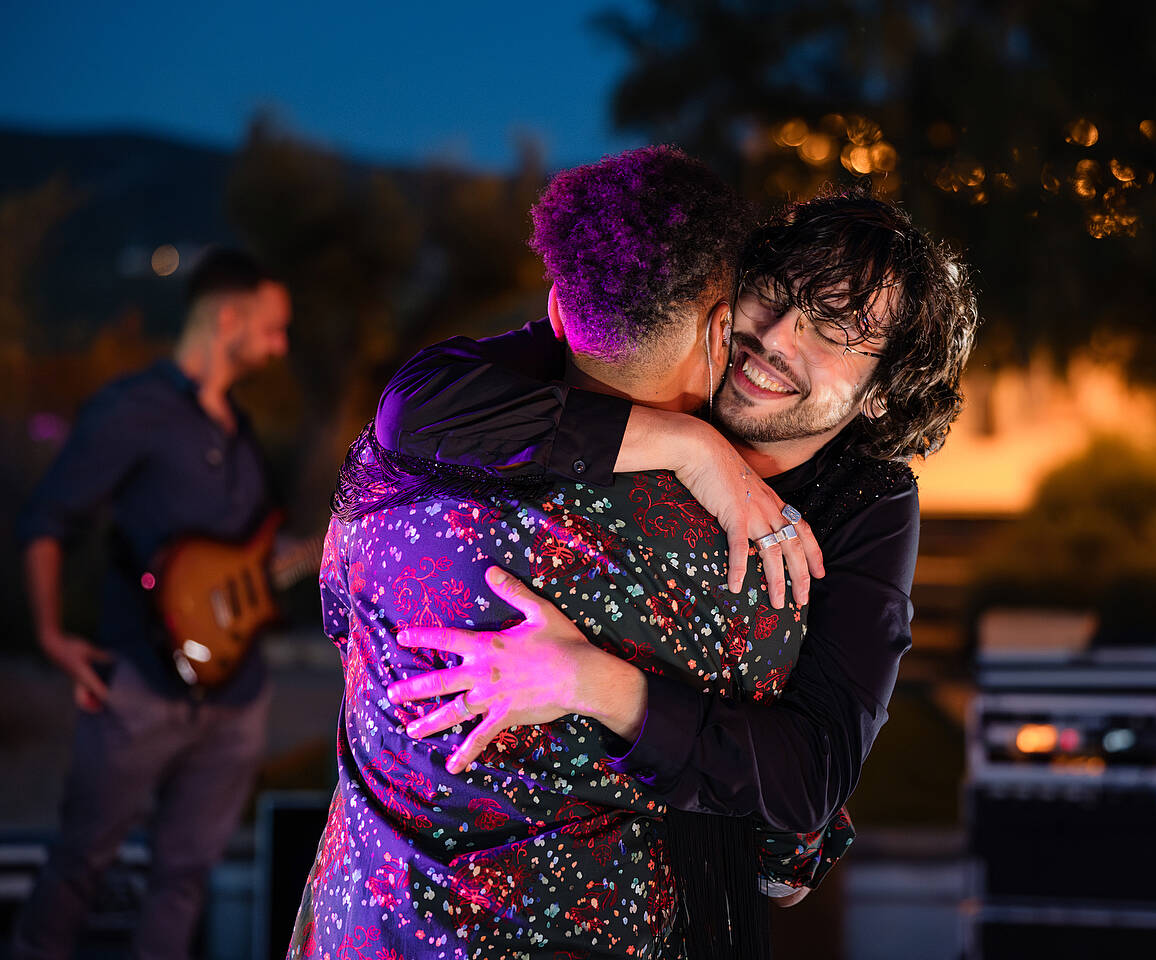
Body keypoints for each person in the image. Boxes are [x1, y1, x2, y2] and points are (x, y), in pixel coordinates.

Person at [289, 146, 849, 960]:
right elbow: (781, 838)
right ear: (720, 328)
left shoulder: (389, 477)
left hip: (365, 932)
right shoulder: (740, 566)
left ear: (557, 309)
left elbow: (337, 613)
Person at [378, 182, 978, 845]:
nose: (774, 339)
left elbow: (811, 776)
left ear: (883, 395)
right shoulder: (650, 359)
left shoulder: (866, 501)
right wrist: (686, 444)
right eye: (775, 295)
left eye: (834, 331)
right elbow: (414, 407)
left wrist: (595, 683)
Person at [12, 249, 292, 960]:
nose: (280, 344)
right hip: (138, 681)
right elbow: (49, 519)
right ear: (226, 317)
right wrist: (50, 635)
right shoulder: (133, 409)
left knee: (185, 879)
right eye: (271, 327)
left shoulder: (240, 427)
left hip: (238, 696)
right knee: (80, 863)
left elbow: (251, 553)